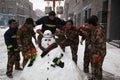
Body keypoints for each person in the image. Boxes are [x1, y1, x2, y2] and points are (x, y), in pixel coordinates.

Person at [85, 15, 106, 80]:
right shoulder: (94, 29)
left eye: (88, 25)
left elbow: (98, 42)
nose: (87, 26)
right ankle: (94, 77)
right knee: (95, 67)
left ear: (92, 24)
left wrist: (91, 45)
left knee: (97, 67)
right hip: (95, 52)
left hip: (98, 53)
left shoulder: (98, 31)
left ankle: (96, 78)